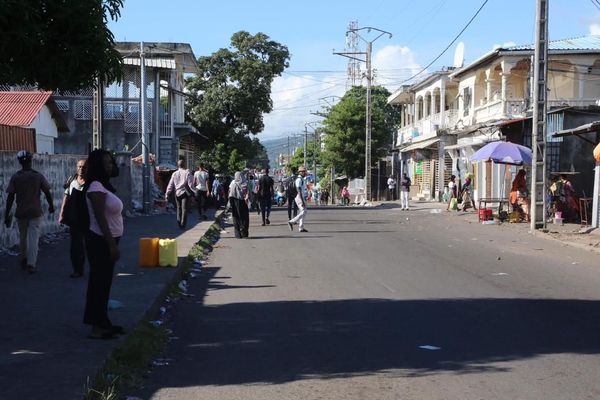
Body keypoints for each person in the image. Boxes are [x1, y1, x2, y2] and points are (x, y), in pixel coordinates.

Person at [83, 149, 124, 339]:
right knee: (98, 284)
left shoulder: (102, 184)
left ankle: (103, 322)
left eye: (111, 162)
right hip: (100, 241)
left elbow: (115, 171)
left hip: (106, 240)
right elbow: (100, 218)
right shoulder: (95, 187)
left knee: (104, 284)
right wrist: (111, 245)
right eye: (107, 162)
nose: (110, 165)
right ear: (98, 165)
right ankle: (96, 327)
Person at [4, 151, 54, 274]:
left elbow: (10, 196)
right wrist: (51, 205)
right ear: (31, 161)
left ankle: (23, 259)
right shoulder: (38, 176)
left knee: (23, 238)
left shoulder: (16, 176)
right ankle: (31, 264)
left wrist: (7, 213)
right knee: (33, 238)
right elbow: (47, 192)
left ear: (20, 162)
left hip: (21, 212)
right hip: (35, 211)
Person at [58, 159, 87, 278]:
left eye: (83, 167)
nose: (81, 169)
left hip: (88, 218)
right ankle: (77, 269)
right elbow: (66, 198)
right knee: (75, 245)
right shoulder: (72, 182)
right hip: (75, 218)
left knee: (90, 245)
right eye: (79, 167)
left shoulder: (91, 183)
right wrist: (61, 214)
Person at [165, 159, 195, 229]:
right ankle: (183, 224)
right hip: (185, 192)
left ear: (178, 165)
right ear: (184, 165)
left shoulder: (174, 173)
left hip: (177, 193)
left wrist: (167, 194)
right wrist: (195, 191)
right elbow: (190, 185)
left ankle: (179, 223)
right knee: (184, 209)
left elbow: (170, 185)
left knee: (178, 208)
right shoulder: (187, 172)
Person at [228, 171, 249, 238]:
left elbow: (229, 191)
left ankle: (237, 234)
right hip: (241, 201)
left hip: (233, 201)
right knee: (244, 217)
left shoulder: (232, 182)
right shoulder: (244, 182)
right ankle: (244, 231)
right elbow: (246, 193)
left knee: (235, 217)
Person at [288, 166, 309, 232]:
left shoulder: (302, 179)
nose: (304, 173)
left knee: (303, 211)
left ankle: (301, 227)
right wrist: (302, 200)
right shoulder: (299, 179)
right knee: (303, 211)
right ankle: (291, 221)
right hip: (299, 197)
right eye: (303, 172)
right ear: (300, 172)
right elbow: (298, 190)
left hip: (301, 196)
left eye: (304, 171)